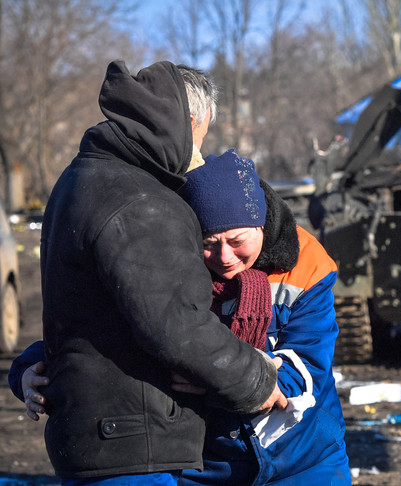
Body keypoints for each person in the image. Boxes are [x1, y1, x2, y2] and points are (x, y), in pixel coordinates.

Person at [8, 60, 281, 484]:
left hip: (93, 435)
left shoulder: (80, 179)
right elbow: (177, 324)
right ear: (188, 123)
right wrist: (257, 381)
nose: (200, 152)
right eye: (202, 134)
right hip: (132, 442)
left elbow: (85, 314)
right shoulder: (143, 200)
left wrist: (24, 367)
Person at [13, 149, 351, 485]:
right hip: (205, 466)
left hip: (306, 456)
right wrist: (28, 369)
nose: (225, 257)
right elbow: (96, 333)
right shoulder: (164, 267)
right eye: (207, 243)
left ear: (260, 223)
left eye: (237, 240)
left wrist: (222, 380)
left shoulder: (307, 265)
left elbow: (309, 366)